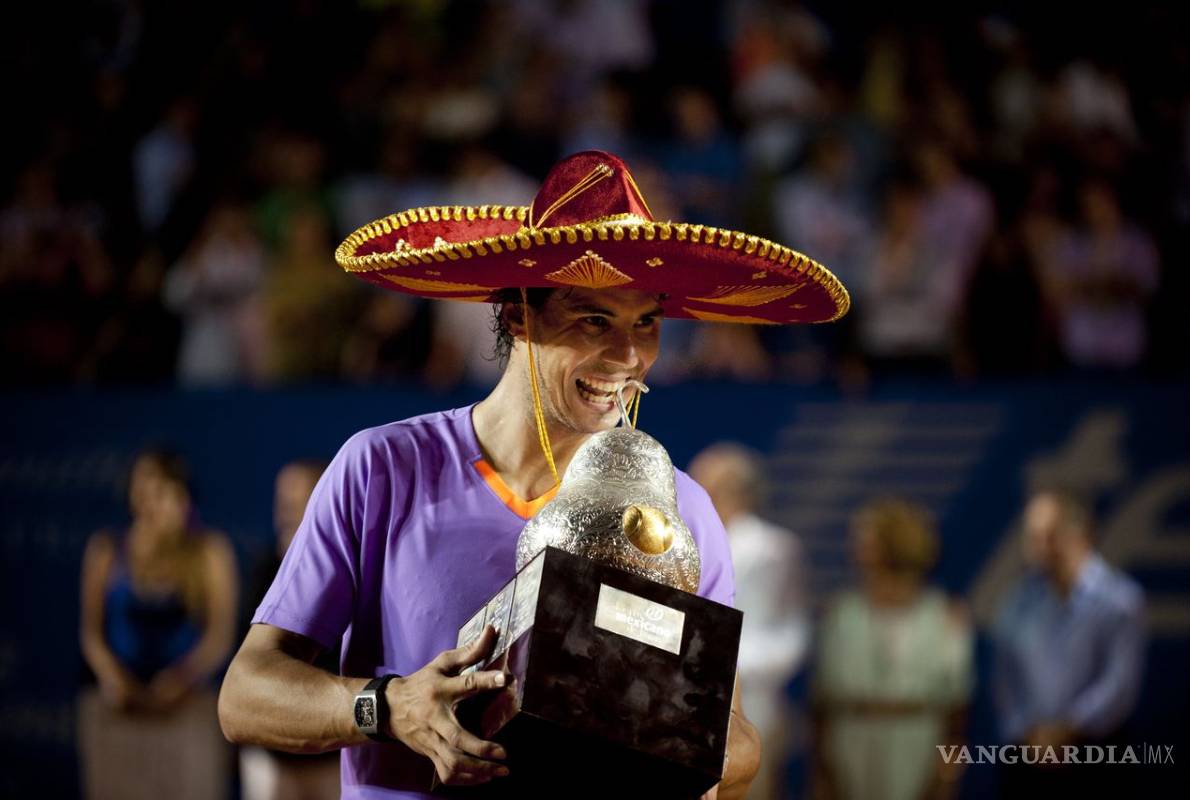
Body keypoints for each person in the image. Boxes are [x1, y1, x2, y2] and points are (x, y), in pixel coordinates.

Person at [218, 150, 849, 799]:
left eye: (647, 323)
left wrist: (649, 734)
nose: (629, 357)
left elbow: (736, 742)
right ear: (518, 312)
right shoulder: (381, 468)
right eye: (594, 319)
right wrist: (386, 706)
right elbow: (245, 696)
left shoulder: (683, 508)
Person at [78, 448, 239, 800]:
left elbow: (220, 636)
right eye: (144, 490)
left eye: (163, 491)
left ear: (182, 496)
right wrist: (114, 678)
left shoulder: (210, 551)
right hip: (117, 707)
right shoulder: (106, 549)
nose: (153, 503)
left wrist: (180, 681)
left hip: (186, 705)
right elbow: (91, 633)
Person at [811, 498, 973, 800]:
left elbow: (957, 710)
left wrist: (947, 773)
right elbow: (821, 704)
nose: (858, 549)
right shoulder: (841, 615)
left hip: (917, 743)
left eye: (868, 539)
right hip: (850, 745)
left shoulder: (944, 616)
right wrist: (822, 775)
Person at [992, 489, 1146, 796]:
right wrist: (1029, 734)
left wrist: (1069, 730)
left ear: (1082, 534)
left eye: (1049, 536)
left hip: (1098, 759)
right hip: (1028, 760)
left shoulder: (1120, 601)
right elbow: (1005, 680)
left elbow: (1118, 685)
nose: (1038, 548)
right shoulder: (1017, 603)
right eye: (1033, 537)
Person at [688, 443, 809, 800]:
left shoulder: (775, 548)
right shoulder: (683, 542)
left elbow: (792, 632)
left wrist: (731, 668)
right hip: (688, 702)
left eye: (703, 484)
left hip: (755, 707)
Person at [238, 460, 341, 800]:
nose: (288, 515)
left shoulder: (354, 570)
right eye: (283, 503)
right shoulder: (264, 568)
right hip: (272, 752)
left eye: (300, 504)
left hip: (337, 748)